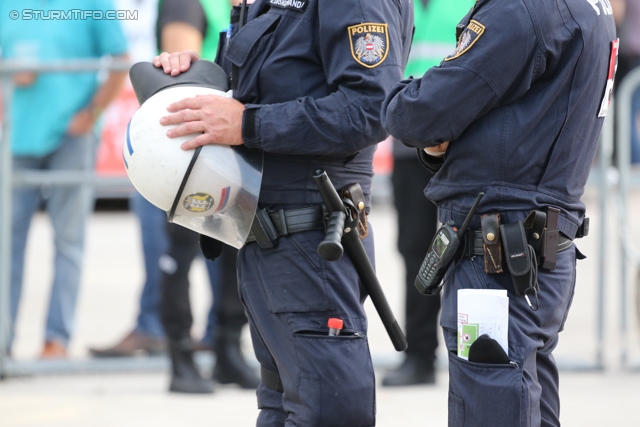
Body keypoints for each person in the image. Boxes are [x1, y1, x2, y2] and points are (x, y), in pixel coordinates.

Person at [153, 0, 414, 424]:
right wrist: (193, 81)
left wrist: (247, 124)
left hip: (312, 244)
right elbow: (253, 93)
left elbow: (370, 109)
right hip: (267, 248)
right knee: (282, 409)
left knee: (329, 411)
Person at [381, 0, 616, 424]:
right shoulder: (585, 6)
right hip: (533, 243)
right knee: (525, 396)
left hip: (499, 256)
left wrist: (409, 108)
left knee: (491, 399)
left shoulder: (520, 9)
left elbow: (420, 114)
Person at [91, 0, 260, 394]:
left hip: (230, 147)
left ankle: (227, 351)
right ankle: (181, 357)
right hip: (187, 153)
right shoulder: (187, 2)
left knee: (234, 249)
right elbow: (182, 78)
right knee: (180, 256)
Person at [0, 0, 129, 358]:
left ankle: (56, 340)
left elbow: (121, 59)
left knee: (68, 241)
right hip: (16, 137)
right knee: (7, 244)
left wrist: (92, 113)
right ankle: (3, 342)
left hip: (71, 138)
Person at [382, 0, 475, 388]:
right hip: (409, 143)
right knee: (417, 251)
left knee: (474, 251)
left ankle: (473, 353)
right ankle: (420, 354)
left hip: (466, 141)